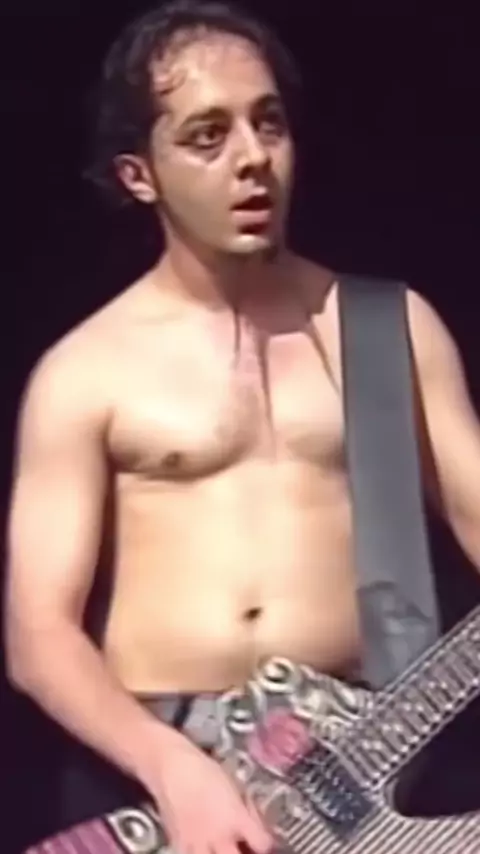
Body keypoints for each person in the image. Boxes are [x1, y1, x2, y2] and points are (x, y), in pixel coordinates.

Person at [5, 0, 480, 850]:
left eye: (269, 123)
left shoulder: (388, 331)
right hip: (152, 782)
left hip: (374, 771)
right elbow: (37, 636)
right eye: (207, 136)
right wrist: (171, 768)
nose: (253, 158)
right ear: (139, 175)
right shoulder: (84, 372)